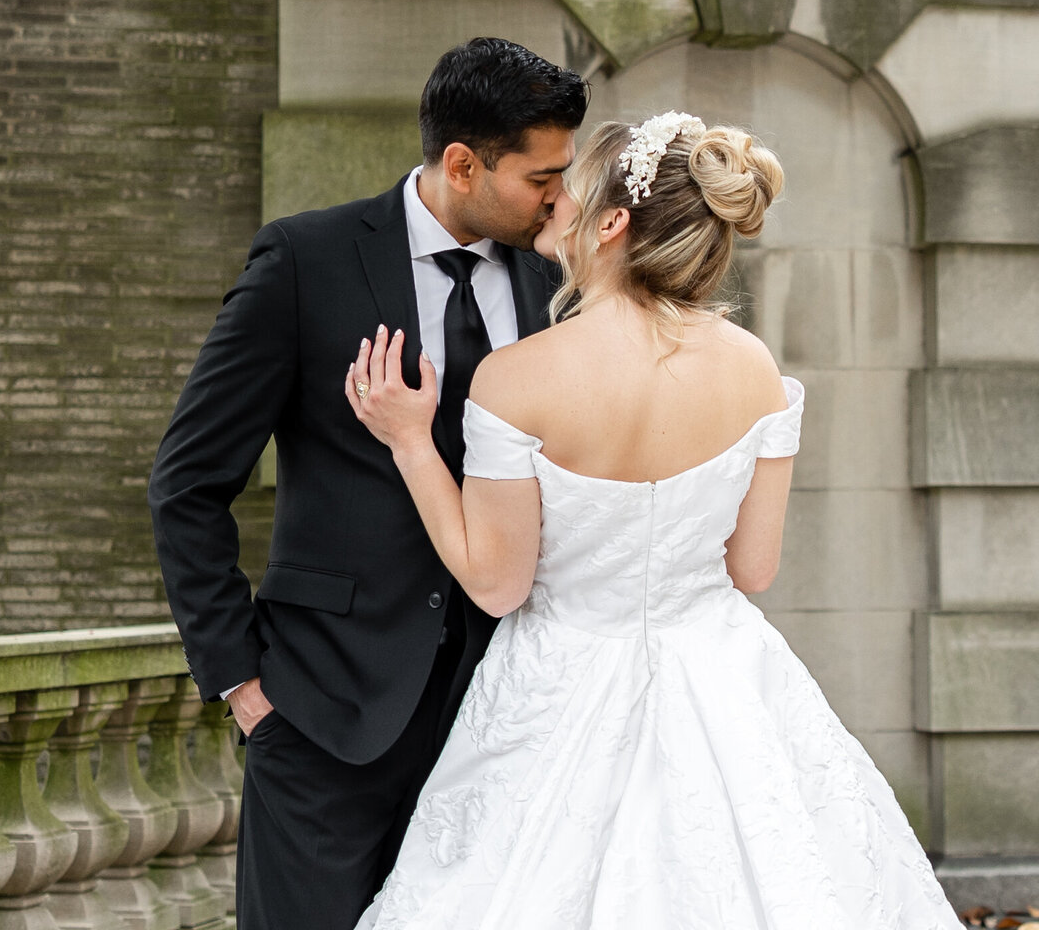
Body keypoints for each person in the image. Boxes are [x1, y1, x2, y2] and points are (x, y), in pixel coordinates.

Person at [346, 111, 962, 930]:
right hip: (721, 676)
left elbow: (497, 584)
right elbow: (753, 570)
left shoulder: (516, 378)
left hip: (558, 687)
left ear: (609, 223)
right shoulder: (752, 367)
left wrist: (412, 443)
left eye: (569, 194)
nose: (550, 204)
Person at [147, 37, 589, 930]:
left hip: (504, 725)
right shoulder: (304, 263)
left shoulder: (559, 285)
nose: (561, 198)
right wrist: (243, 688)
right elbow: (187, 482)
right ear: (463, 164)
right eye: (542, 177)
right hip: (322, 719)